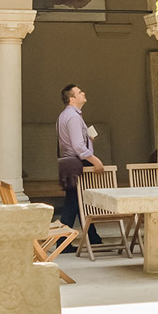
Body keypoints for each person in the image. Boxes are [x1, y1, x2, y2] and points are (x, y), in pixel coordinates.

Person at [57, 84, 103, 226]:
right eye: (79, 92)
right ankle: (64, 242)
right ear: (72, 99)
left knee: (78, 201)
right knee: (75, 202)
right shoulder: (73, 117)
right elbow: (78, 146)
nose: (83, 93)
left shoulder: (68, 115)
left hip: (71, 163)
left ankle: (92, 238)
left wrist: (88, 138)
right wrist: (96, 161)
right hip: (77, 163)